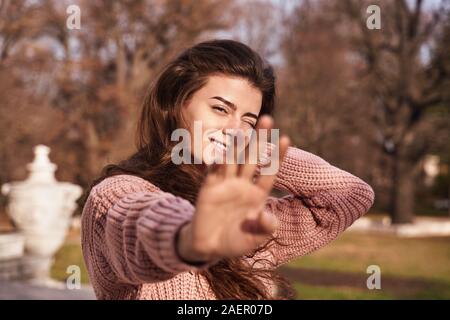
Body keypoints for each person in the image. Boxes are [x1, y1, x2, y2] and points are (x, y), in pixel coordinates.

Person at [81, 39, 375, 300]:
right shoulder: (115, 194)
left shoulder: (247, 218)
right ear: (174, 105)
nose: (235, 129)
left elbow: (349, 194)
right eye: (220, 109)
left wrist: (255, 150)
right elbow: (139, 225)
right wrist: (190, 237)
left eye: (248, 119)